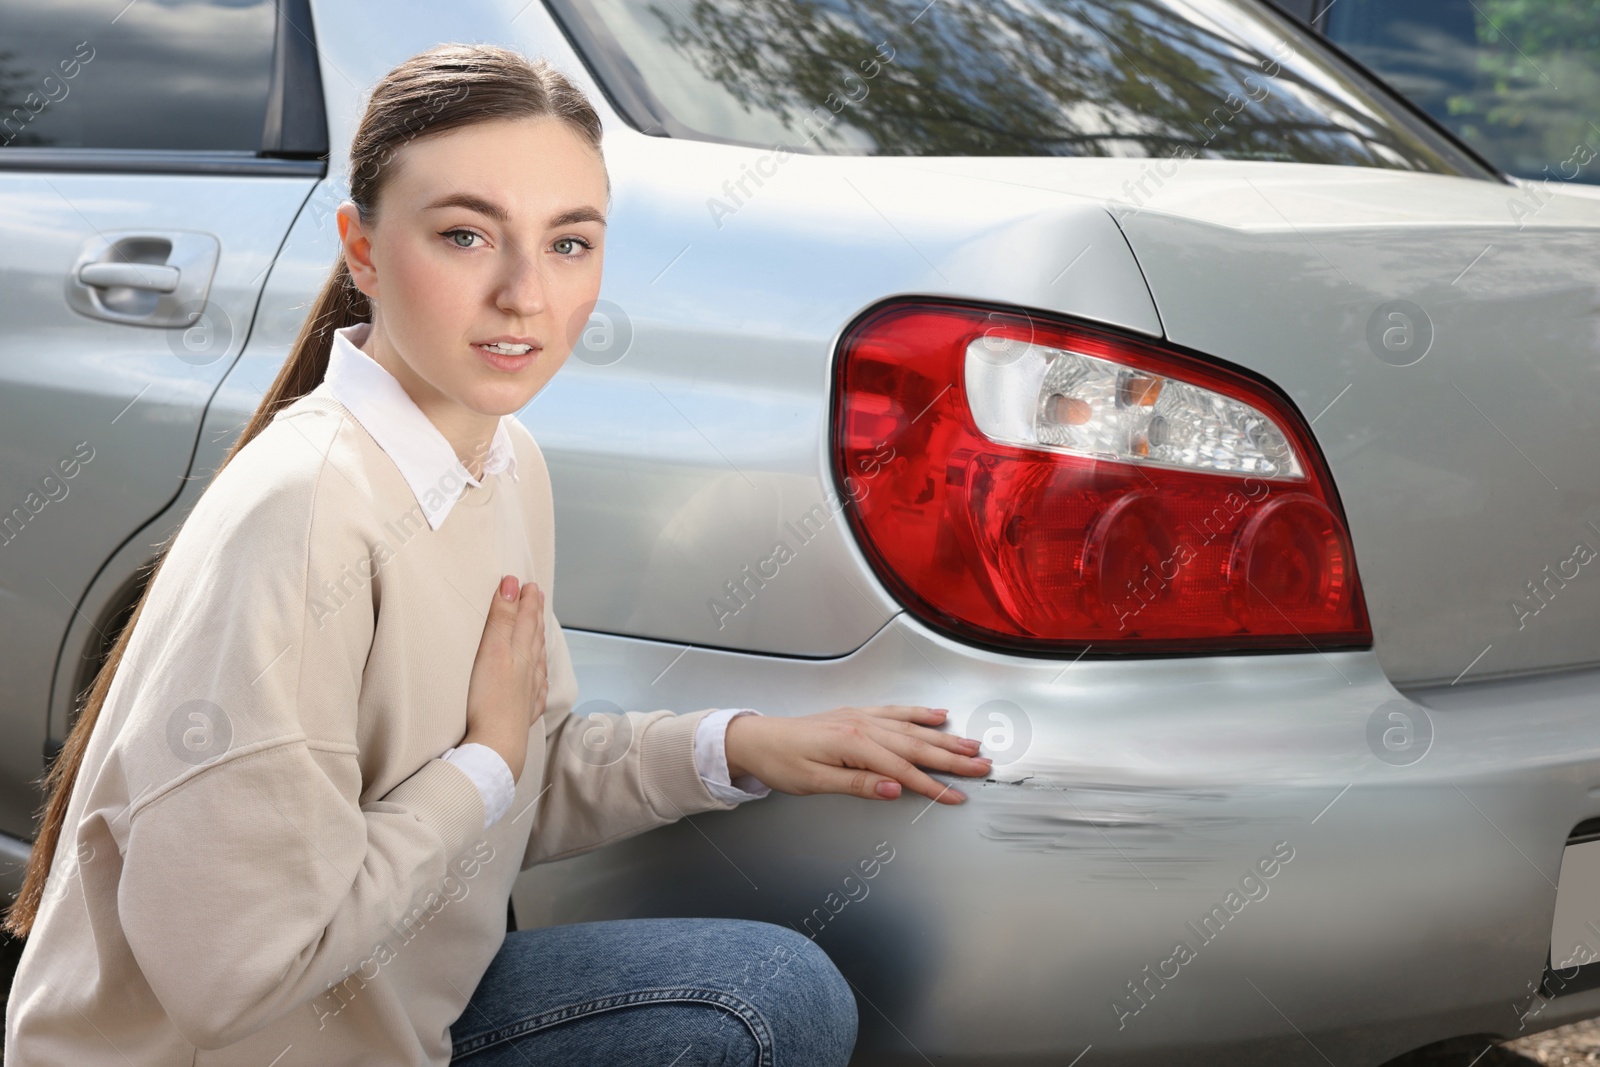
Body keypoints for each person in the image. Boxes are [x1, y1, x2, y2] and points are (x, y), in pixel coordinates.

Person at [2, 42, 994, 1066]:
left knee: (775, 987)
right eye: (467, 234)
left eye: (569, 243)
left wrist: (737, 745)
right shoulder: (302, 513)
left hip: (390, 1022)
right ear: (364, 250)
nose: (525, 293)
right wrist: (483, 762)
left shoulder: (501, 463)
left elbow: (512, 768)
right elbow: (235, 974)